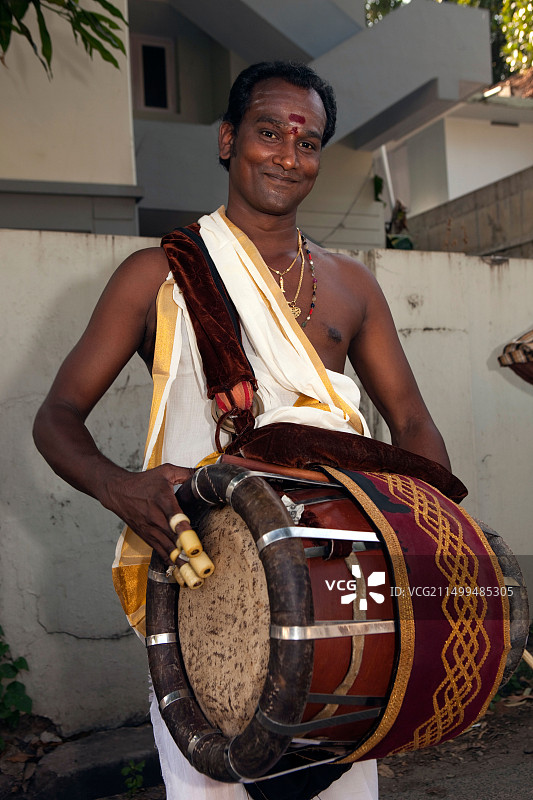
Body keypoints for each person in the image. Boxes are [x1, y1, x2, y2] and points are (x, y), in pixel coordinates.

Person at [33, 61, 451, 800]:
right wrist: (119, 487)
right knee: (211, 785)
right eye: (268, 133)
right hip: (207, 575)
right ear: (228, 140)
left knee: (341, 781)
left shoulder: (351, 284)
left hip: (338, 571)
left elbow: (412, 419)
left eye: (308, 143)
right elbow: (56, 416)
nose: (289, 156)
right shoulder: (158, 274)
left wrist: (428, 539)